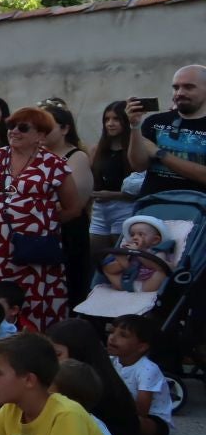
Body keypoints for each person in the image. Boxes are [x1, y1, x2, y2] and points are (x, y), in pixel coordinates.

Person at [0, 106, 77, 331]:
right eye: (11, 126)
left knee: (31, 297)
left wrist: (40, 224)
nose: (14, 131)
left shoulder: (54, 164)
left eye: (23, 128)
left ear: (41, 135)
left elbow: (73, 208)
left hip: (33, 248)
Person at [44, 318, 144, 435]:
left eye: (57, 355)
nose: (50, 361)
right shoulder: (98, 372)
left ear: (78, 352)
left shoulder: (88, 380)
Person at [39, 104, 95, 306]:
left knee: (69, 289)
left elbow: (74, 205)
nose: (40, 130)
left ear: (65, 129)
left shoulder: (76, 157)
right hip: (36, 232)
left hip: (66, 233)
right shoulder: (32, 156)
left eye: (48, 125)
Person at [127, 64, 206, 197]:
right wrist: (135, 126)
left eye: (189, 87)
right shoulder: (155, 121)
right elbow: (138, 165)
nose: (180, 93)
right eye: (176, 87)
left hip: (198, 211)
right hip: (153, 206)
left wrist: (159, 153)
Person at [108, 314, 173, 435]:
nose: (112, 338)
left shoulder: (148, 369)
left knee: (133, 422)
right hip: (121, 412)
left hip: (151, 420)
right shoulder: (111, 361)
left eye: (123, 335)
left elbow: (142, 411)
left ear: (141, 347)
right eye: (111, 332)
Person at [87, 101, 136, 264]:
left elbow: (141, 187)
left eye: (116, 119)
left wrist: (114, 195)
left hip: (124, 207)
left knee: (121, 258)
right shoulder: (97, 149)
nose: (110, 123)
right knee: (97, 256)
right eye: (107, 119)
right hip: (100, 208)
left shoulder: (133, 149)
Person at [98, 214, 174, 293]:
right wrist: (122, 259)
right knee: (106, 268)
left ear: (155, 240)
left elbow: (159, 266)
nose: (134, 237)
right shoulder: (128, 249)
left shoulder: (157, 251)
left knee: (161, 271)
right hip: (126, 282)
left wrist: (138, 252)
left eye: (141, 234)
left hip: (147, 285)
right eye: (132, 235)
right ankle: (123, 263)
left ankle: (124, 264)